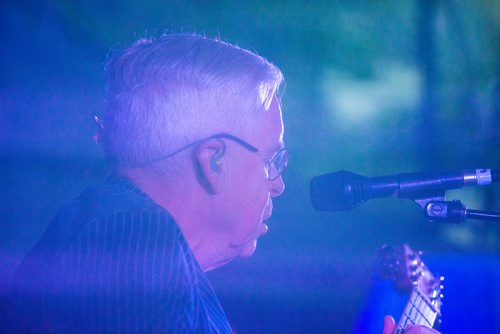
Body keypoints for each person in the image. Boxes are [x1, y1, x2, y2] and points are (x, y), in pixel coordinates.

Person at [8, 33, 437, 333]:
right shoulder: (134, 234)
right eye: (272, 160)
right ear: (213, 159)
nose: (279, 185)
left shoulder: (128, 237)